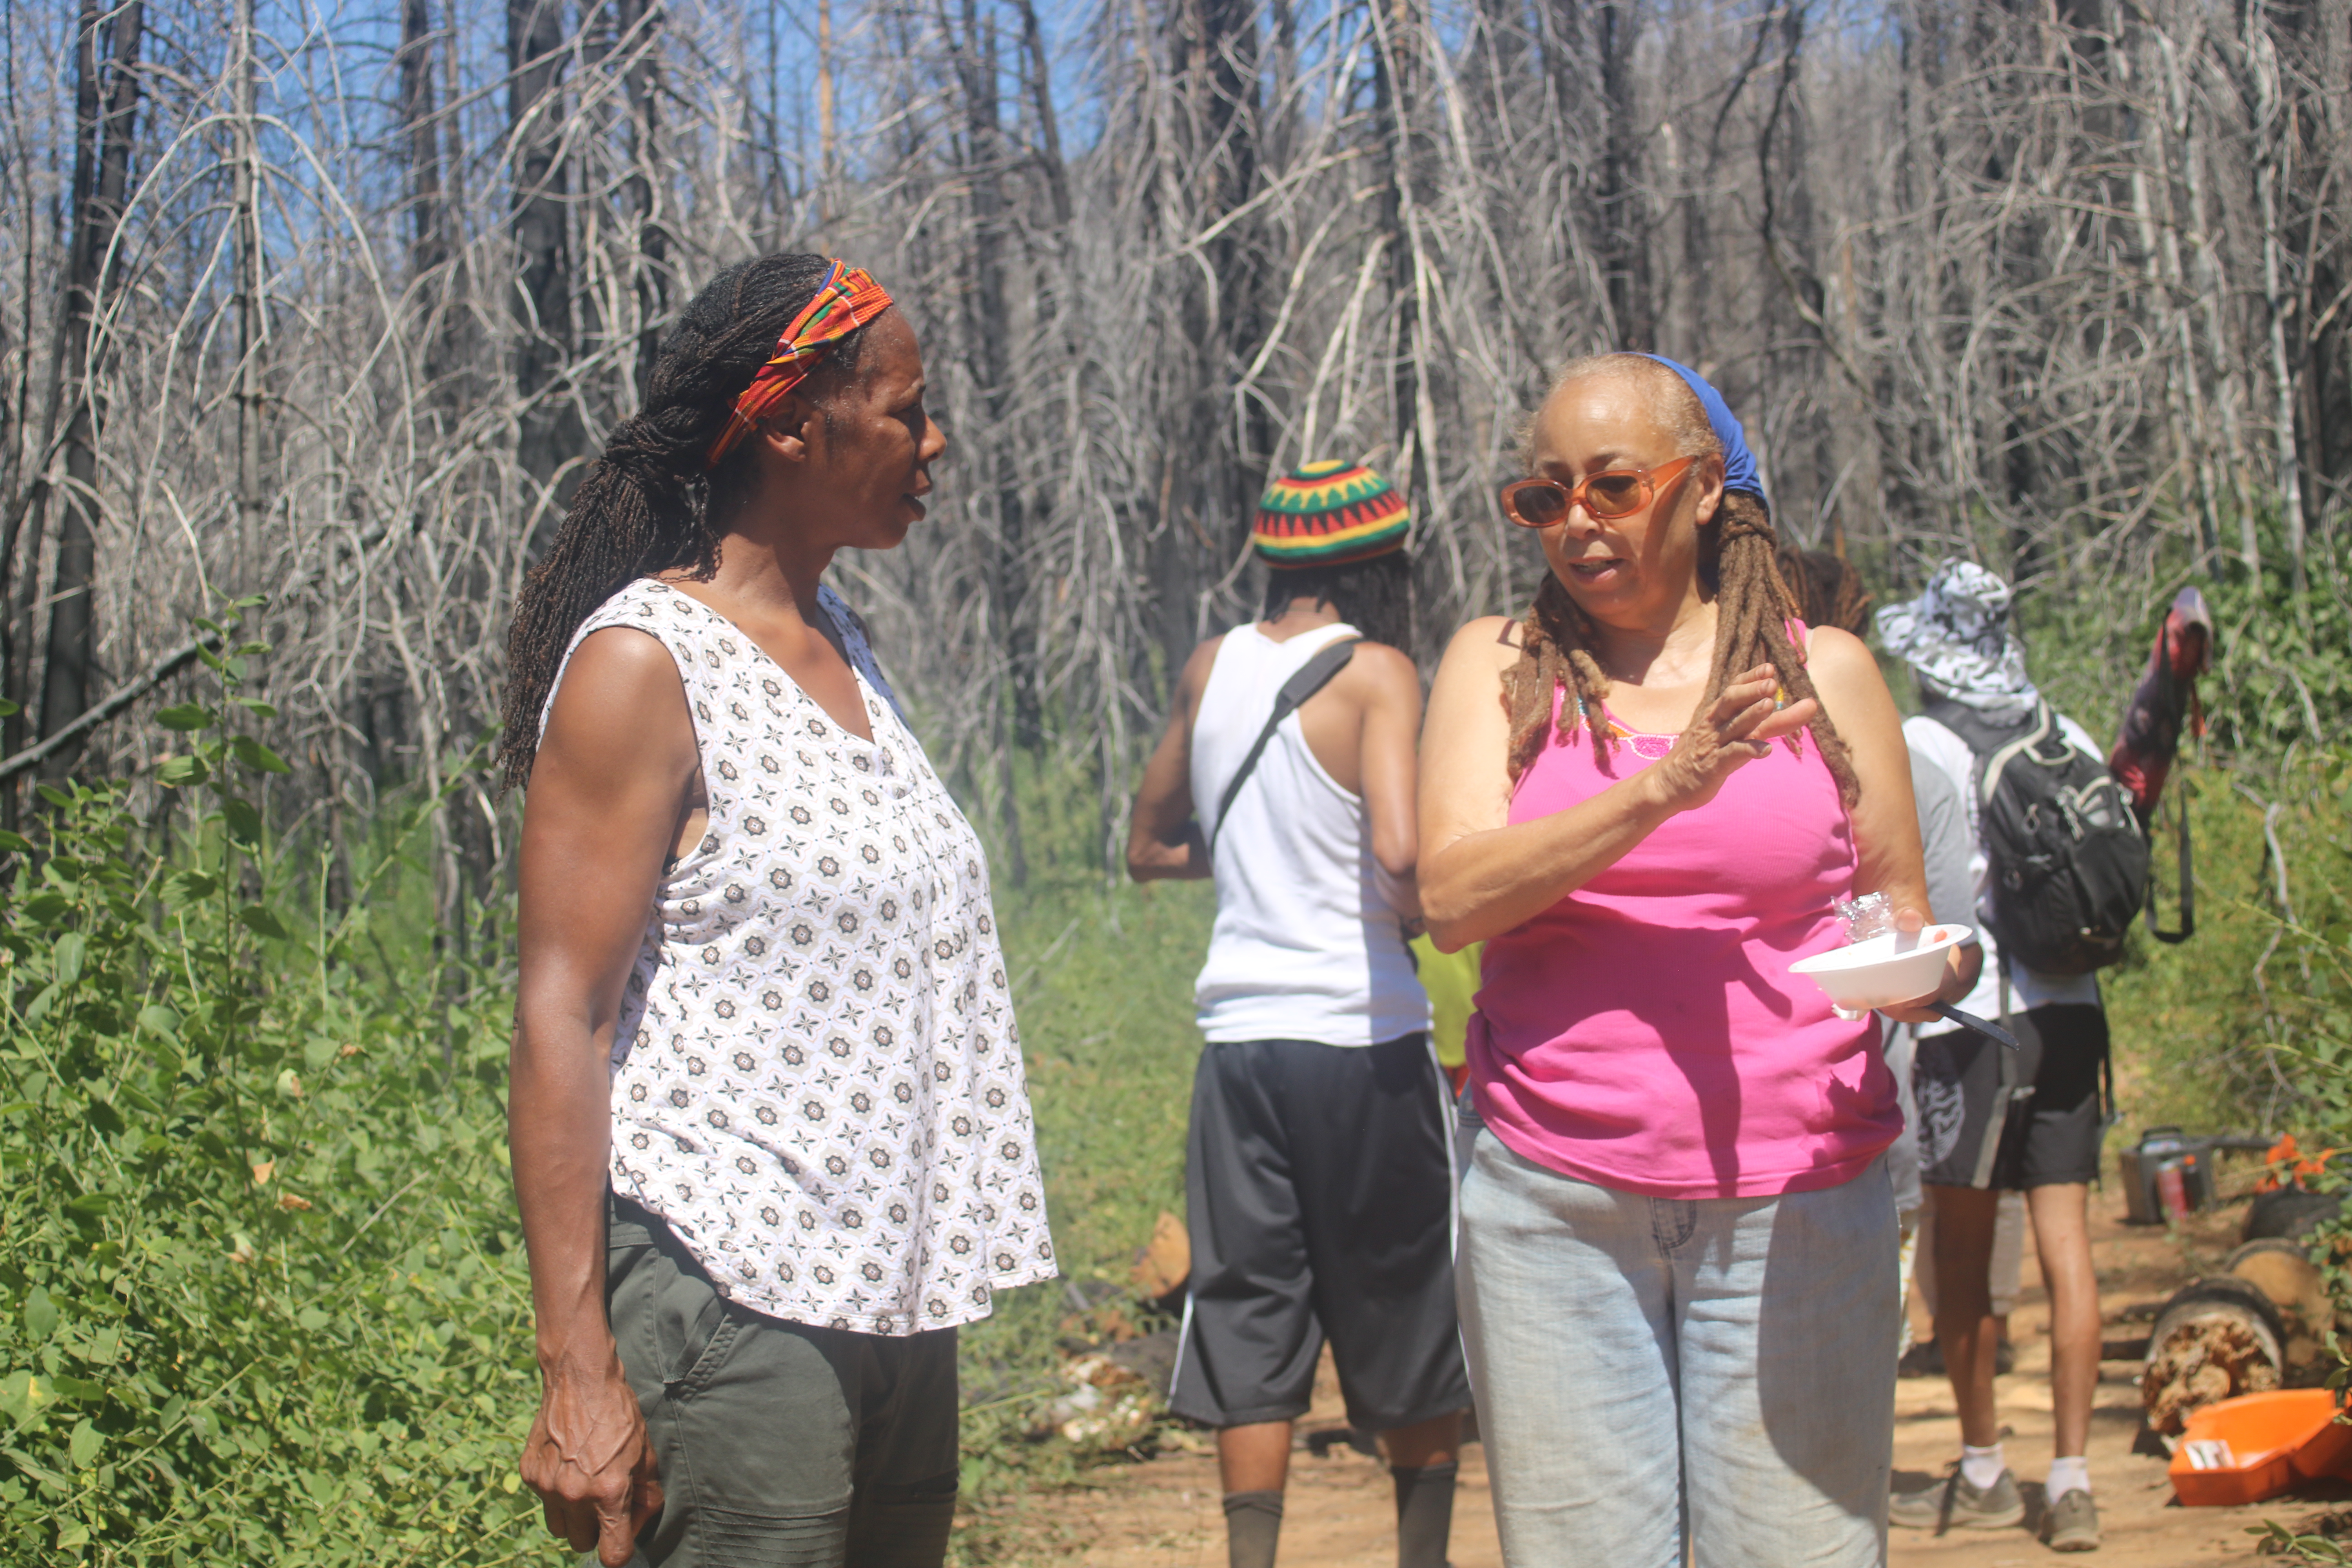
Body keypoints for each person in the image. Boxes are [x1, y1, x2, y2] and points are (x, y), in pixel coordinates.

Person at [505, 254, 1056, 1568]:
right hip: (735, 1294)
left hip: (893, 1287)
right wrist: (579, 1370)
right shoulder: (643, 666)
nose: (937, 441)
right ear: (794, 422)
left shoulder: (842, 638)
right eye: (908, 410)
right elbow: (559, 1018)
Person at [1418, 354, 1971, 1566]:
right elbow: (1453, 897)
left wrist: (1934, 972)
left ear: (1707, 487)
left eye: (1614, 486)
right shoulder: (1497, 667)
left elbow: (1896, 914)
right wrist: (1662, 790)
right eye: (1543, 495)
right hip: (1553, 1210)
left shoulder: (1822, 674)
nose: (1576, 521)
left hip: (1802, 1203)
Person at [1127, 460, 1470, 1568]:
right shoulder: (1377, 674)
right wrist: (1430, 912)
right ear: (1375, 566)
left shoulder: (1211, 665)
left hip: (1241, 1044)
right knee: (1404, 1295)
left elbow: (1149, 844)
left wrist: (1256, 872)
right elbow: (1403, 853)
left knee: (1248, 1304)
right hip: (1362, 1035)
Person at [1881, 562, 2110, 1552]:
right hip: (2073, 1015)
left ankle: (1984, 1468)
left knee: (1964, 1255)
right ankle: (2073, 1477)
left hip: (1970, 1026)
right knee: (2069, 1248)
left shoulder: (1921, 741)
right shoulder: (2068, 733)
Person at [1776, 546, 1988, 1359]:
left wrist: (1913, 972)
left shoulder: (1909, 774)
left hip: (1849, 1137)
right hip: (1859, 1136)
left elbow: (1946, 951)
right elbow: (1955, 956)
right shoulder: (1924, 770)